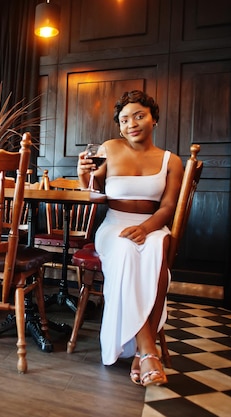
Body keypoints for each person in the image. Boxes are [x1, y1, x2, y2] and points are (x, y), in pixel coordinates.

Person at [77, 90, 184, 387]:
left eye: (139, 116)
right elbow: (95, 194)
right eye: (124, 119)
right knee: (124, 250)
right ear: (119, 126)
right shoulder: (109, 148)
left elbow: (168, 207)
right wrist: (83, 174)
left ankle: (141, 352)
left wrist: (147, 228)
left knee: (155, 250)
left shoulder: (171, 161)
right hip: (114, 225)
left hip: (152, 224)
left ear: (154, 119)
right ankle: (147, 348)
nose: (131, 123)